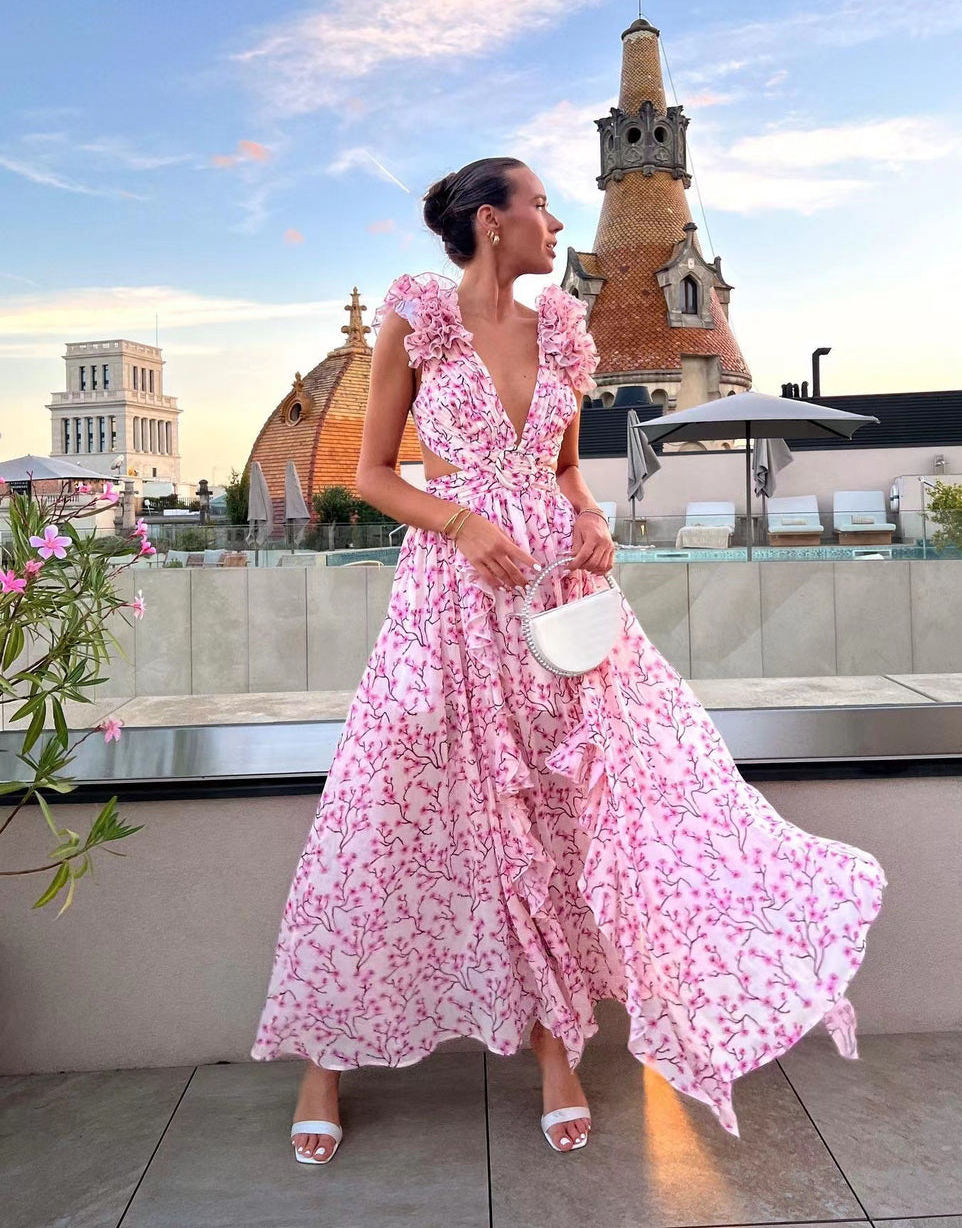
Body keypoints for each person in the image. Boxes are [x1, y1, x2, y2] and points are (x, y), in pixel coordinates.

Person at [250, 157, 887, 1164]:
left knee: (564, 817)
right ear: (490, 222)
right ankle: (322, 1057)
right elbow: (374, 473)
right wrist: (459, 523)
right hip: (452, 600)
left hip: (557, 596)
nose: (555, 221)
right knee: (384, 811)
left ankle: (558, 1050)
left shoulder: (560, 330)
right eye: (539, 204)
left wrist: (591, 519)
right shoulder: (418, 322)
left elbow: (562, 471)